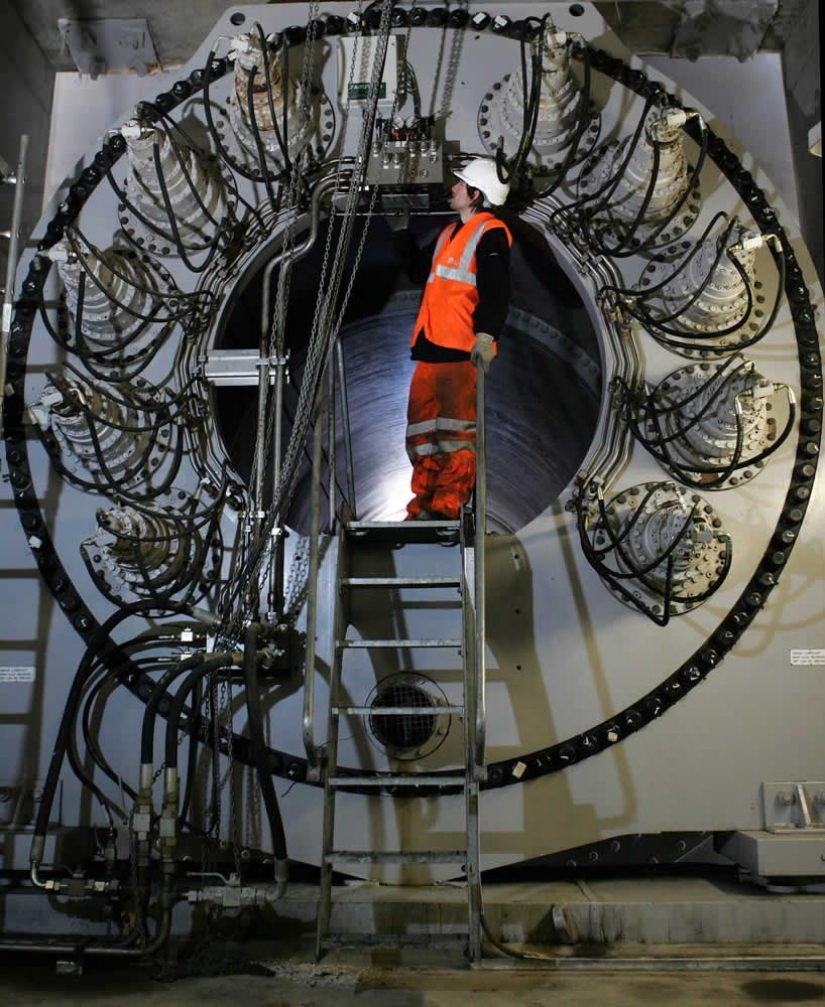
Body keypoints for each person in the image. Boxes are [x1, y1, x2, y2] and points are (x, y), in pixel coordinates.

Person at [389, 157, 512, 522]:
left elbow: (497, 289)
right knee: (422, 434)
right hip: (431, 347)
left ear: (476, 194)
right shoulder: (448, 233)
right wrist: (400, 231)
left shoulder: (490, 233)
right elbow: (416, 271)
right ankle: (422, 506)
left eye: (460, 184)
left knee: (456, 438)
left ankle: (446, 507)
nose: (453, 188)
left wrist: (486, 335)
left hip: (460, 351)